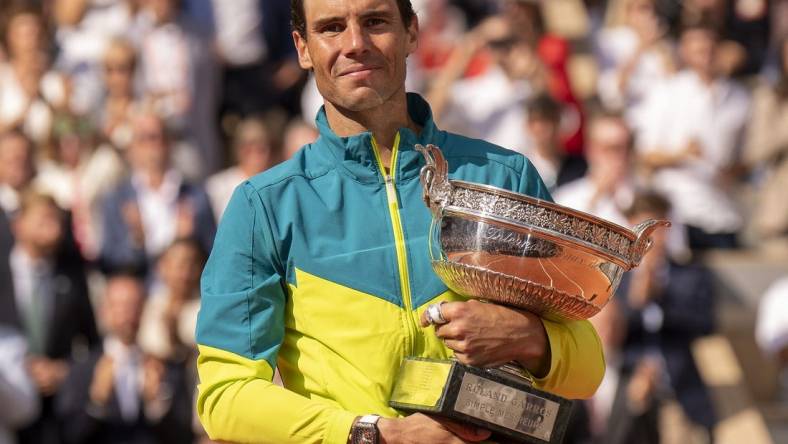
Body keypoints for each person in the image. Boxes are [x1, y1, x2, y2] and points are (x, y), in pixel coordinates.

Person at [195, 1, 605, 443]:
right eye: (332, 28)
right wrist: (376, 435)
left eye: (375, 22)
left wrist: (528, 337)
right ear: (303, 48)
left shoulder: (505, 176)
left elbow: (587, 367)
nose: (356, 44)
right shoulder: (263, 206)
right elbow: (225, 396)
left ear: (412, 33)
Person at [635, 23, 749, 250]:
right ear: (684, 52)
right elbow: (645, 155)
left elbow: (744, 159)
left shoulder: (740, 97)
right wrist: (683, 154)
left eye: (710, 47)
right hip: (678, 212)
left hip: (722, 213)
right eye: (698, 49)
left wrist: (731, 170)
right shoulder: (666, 92)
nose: (705, 55)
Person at [0, 192, 100, 444]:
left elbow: (94, 346)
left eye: (57, 219)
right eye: (44, 218)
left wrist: (63, 371)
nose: (54, 227)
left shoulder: (72, 277)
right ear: (18, 224)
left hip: (56, 418)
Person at [619, 191, 717, 441]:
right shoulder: (614, 278)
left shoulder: (692, 274)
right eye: (642, 229)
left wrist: (659, 294)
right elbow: (607, 330)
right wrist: (635, 297)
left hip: (680, 396)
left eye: (656, 229)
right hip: (626, 391)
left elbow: (705, 324)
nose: (649, 239)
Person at [55, 274, 194, 444]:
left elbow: (183, 435)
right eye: (119, 306)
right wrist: (97, 402)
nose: (128, 314)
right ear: (103, 311)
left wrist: (157, 405)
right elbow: (68, 434)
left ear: (144, 310)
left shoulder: (164, 369)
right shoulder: (81, 369)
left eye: (134, 305)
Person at [99, 112, 215, 277]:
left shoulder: (195, 197)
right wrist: (135, 241)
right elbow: (109, 261)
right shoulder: (116, 200)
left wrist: (189, 242)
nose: (154, 145)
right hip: (140, 295)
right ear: (132, 148)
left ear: (170, 143)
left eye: (159, 137)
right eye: (145, 138)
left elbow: (214, 255)